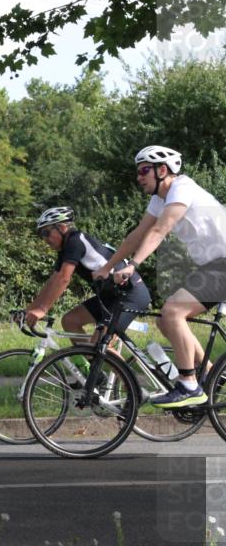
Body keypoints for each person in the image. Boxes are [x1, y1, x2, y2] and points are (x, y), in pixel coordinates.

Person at [94, 145, 226, 408]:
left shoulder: (182, 189)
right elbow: (137, 234)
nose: (139, 177)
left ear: (162, 170)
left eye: (144, 170)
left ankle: (189, 384)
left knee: (173, 312)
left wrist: (132, 265)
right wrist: (108, 266)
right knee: (167, 323)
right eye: (138, 172)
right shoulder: (160, 198)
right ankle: (212, 376)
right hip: (213, 266)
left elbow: (158, 231)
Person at [25, 206, 150, 341]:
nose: (45, 239)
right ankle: (85, 362)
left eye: (46, 233)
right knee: (70, 321)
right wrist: (28, 310)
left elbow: (63, 279)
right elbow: (53, 281)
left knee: (100, 345)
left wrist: (43, 309)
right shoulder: (65, 248)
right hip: (110, 296)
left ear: (61, 227)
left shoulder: (76, 241)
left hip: (130, 295)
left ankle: (105, 360)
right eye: (41, 235)